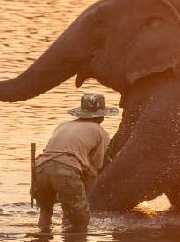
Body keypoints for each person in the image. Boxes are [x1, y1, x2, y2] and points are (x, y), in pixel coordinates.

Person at [33, 93, 119, 232]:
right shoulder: (100, 132)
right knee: (80, 220)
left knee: (46, 211)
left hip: (40, 168)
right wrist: (84, 200)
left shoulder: (63, 125)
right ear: (101, 116)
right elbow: (93, 170)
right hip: (65, 170)